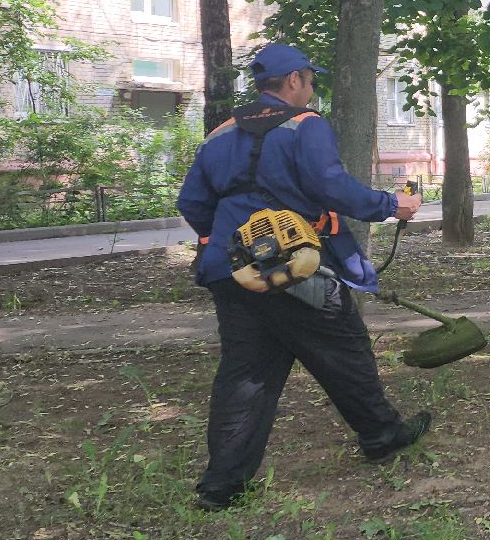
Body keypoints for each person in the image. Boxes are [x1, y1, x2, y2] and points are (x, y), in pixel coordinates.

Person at [177, 43, 430, 510]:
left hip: (233, 273)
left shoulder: (219, 134)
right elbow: (331, 185)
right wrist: (392, 204)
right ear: (293, 80)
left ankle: (221, 485)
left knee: (245, 373)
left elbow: (192, 204)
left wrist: (239, 238)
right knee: (344, 347)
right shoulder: (304, 125)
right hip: (293, 269)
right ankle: (382, 434)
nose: (311, 90)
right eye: (311, 81)